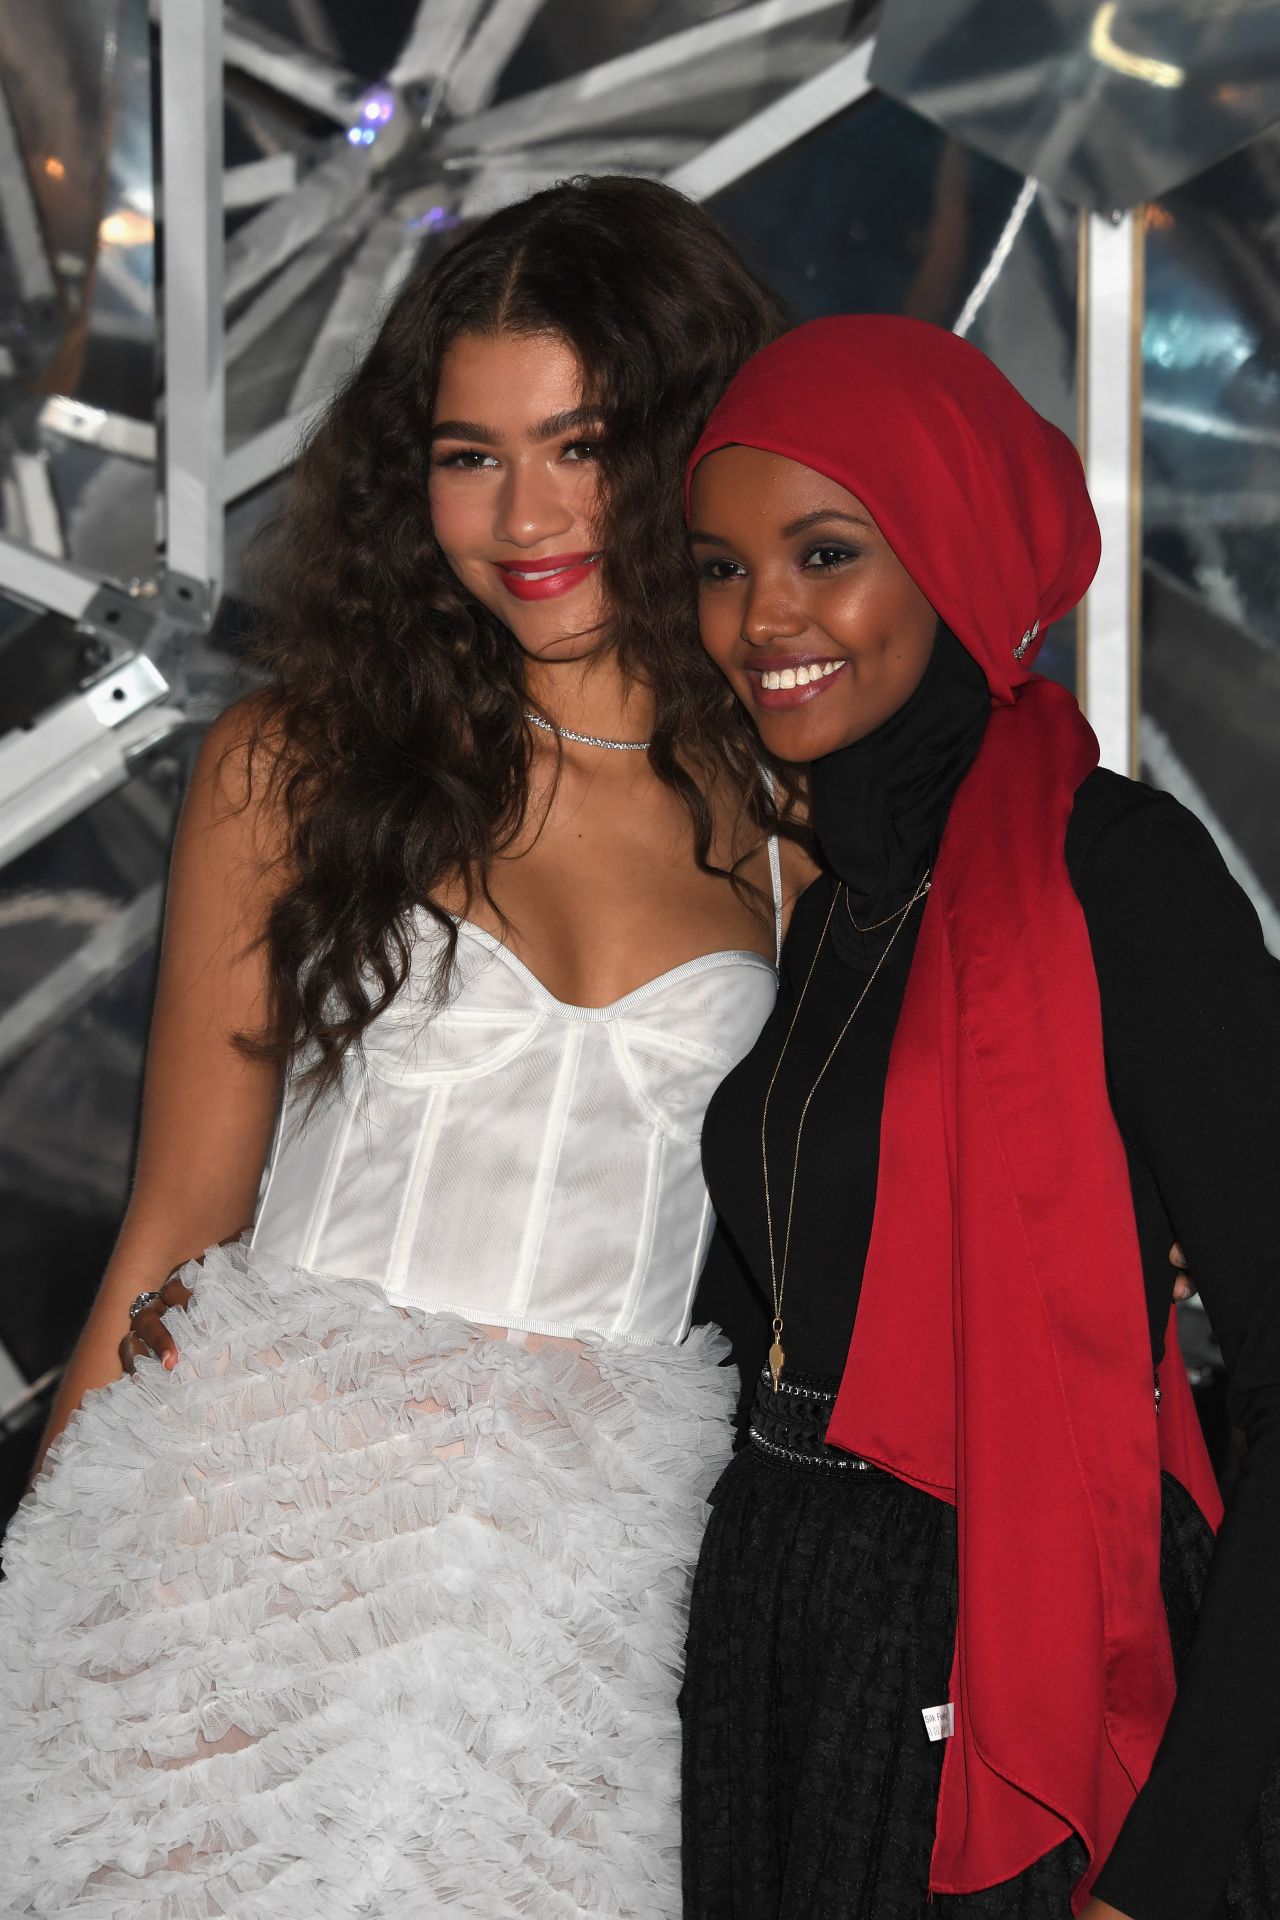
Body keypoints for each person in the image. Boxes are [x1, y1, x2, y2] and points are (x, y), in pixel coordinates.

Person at [0, 176, 811, 1918]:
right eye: (468, 455)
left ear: (689, 445)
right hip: (241, 1545)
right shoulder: (291, 769)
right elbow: (172, 1225)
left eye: (579, 445)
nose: (523, 515)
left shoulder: (790, 822)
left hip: (584, 1592)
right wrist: (32, 1631)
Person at [679, 315, 1280, 1920]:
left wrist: (1163, 1866)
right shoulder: (829, 910)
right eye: (721, 568)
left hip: (1030, 1653)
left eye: (825, 553)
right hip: (788, 1639)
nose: (763, 617)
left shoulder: (1117, 875)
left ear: (951, 554)